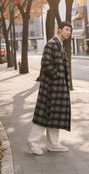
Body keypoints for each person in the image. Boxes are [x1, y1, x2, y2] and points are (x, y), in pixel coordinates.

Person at [27, 21, 72, 155]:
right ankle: (32, 142)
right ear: (59, 30)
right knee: (43, 115)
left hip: (56, 88)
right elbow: (45, 63)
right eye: (66, 29)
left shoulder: (59, 44)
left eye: (70, 30)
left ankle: (53, 144)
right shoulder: (52, 43)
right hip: (50, 87)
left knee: (54, 116)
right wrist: (57, 77)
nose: (68, 32)